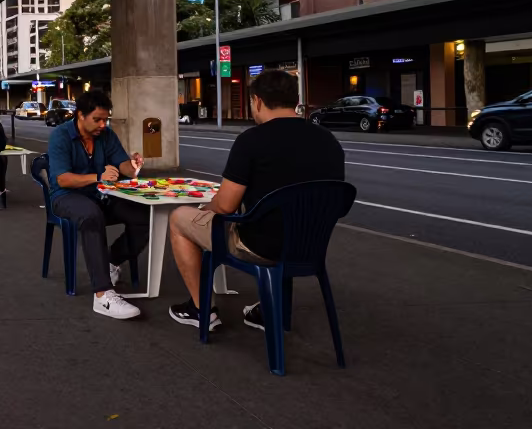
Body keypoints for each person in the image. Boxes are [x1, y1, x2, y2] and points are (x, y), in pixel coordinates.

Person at [167, 69, 345, 331]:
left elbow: (225, 205)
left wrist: (204, 209)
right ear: (294, 100)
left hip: (259, 248)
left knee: (179, 218)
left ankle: (201, 309)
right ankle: (270, 310)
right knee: (283, 219)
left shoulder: (252, 140)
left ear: (258, 101)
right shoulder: (328, 140)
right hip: (310, 246)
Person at [47, 90, 148, 320]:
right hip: (66, 196)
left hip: (101, 195)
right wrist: (98, 177)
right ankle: (102, 295)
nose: (103, 124)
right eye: (98, 119)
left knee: (143, 214)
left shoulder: (107, 135)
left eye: (106, 119)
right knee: (92, 216)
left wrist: (133, 167)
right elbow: (63, 178)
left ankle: (111, 261)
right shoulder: (61, 136)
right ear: (80, 115)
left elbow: (122, 164)